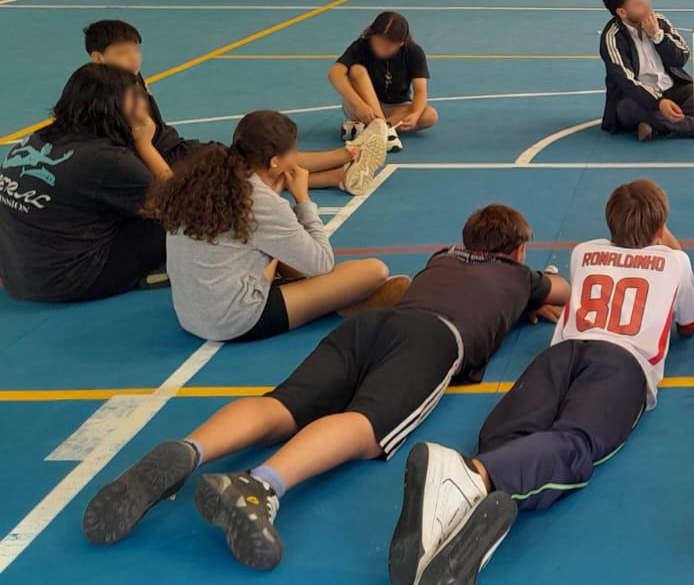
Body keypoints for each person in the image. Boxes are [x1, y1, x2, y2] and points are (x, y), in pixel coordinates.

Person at [82, 204, 567, 572]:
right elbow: (569, 292)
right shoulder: (521, 275)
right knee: (366, 424)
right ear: (519, 252)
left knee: (284, 405)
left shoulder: (443, 257)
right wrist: (538, 287)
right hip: (434, 338)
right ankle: (259, 485)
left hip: (374, 325)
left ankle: (191, 448)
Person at [388, 180, 694, 585]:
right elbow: (689, 325)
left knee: (506, 433)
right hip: (623, 363)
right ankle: (467, 473)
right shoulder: (676, 261)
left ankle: (456, 518)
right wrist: (664, 238)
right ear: (661, 227)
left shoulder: (584, 252)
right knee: (575, 444)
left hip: (561, 354)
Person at [147, 110, 403, 343]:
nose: (297, 158)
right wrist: (303, 200)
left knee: (283, 256)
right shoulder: (261, 200)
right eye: (293, 152)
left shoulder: (208, 179)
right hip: (234, 320)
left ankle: (341, 301)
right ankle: (339, 302)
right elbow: (322, 263)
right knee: (373, 271)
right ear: (274, 162)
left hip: (190, 313)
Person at [86, 19, 388, 189]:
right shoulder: (109, 96)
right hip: (168, 160)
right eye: (123, 52)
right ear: (98, 59)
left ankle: (341, 173)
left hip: (177, 148)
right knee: (252, 163)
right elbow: (138, 147)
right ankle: (349, 154)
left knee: (248, 167)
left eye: (136, 50)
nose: (133, 58)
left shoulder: (131, 80)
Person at [0, 64, 170, 302]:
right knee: (181, 221)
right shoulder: (105, 159)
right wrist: (145, 145)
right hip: (69, 279)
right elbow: (179, 200)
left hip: (16, 274)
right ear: (112, 106)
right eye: (136, 98)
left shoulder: (38, 138)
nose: (144, 106)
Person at [599, 0, 694, 141]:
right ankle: (693, 125)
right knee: (627, 109)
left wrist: (658, 37)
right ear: (622, 12)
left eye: (646, 1)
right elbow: (627, 82)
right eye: (639, 5)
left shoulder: (660, 22)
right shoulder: (612, 37)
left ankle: (656, 127)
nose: (648, 9)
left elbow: (682, 58)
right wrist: (659, 102)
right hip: (637, 98)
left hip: (671, 90)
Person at [330, 11, 435, 152]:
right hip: (363, 107)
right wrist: (360, 105)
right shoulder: (361, 46)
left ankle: (370, 129)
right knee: (356, 70)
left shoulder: (414, 52)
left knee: (430, 115)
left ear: (401, 43)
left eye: (387, 46)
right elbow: (334, 73)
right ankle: (383, 130)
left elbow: (420, 91)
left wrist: (415, 114)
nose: (380, 49)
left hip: (397, 108)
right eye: (377, 42)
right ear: (371, 35)